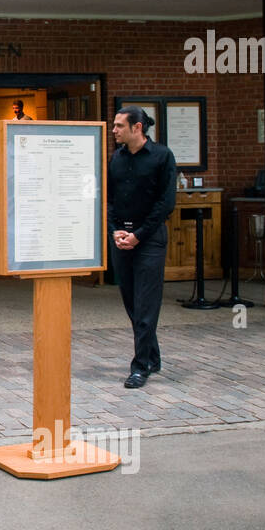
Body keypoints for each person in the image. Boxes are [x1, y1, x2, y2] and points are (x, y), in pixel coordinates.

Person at [107, 106, 176, 389]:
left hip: (150, 238)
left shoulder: (162, 156)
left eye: (119, 126)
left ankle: (140, 367)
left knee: (146, 303)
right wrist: (116, 231)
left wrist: (139, 235)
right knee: (132, 303)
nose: (114, 130)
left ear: (137, 128)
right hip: (123, 237)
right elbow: (109, 199)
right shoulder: (116, 158)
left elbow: (166, 203)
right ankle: (152, 356)